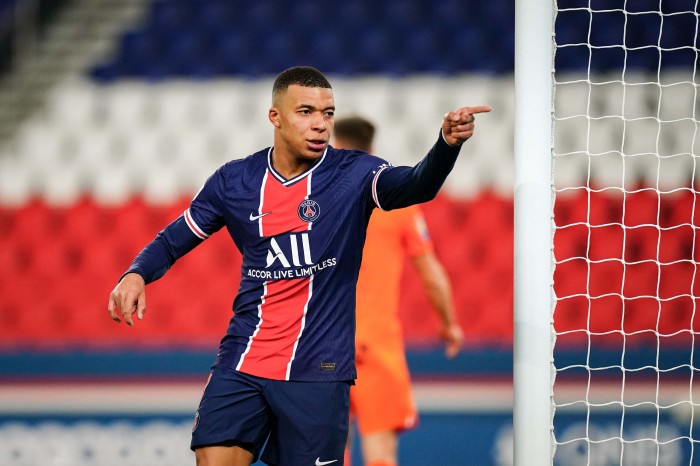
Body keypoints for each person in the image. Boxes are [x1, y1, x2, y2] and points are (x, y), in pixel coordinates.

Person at [107, 66, 490, 466]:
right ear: (275, 117)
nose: (320, 124)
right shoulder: (235, 181)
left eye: (328, 113)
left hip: (318, 370)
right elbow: (173, 239)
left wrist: (447, 145)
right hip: (244, 359)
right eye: (306, 112)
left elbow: (416, 185)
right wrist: (136, 272)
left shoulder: (354, 173)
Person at [333, 116, 463, 466]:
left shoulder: (315, 201)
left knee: (326, 454)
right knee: (381, 456)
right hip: (375, 346)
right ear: (372, 150)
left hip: (325, 343)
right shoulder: (397, 204)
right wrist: (449, 324)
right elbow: (431, 274)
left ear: (334, 147)